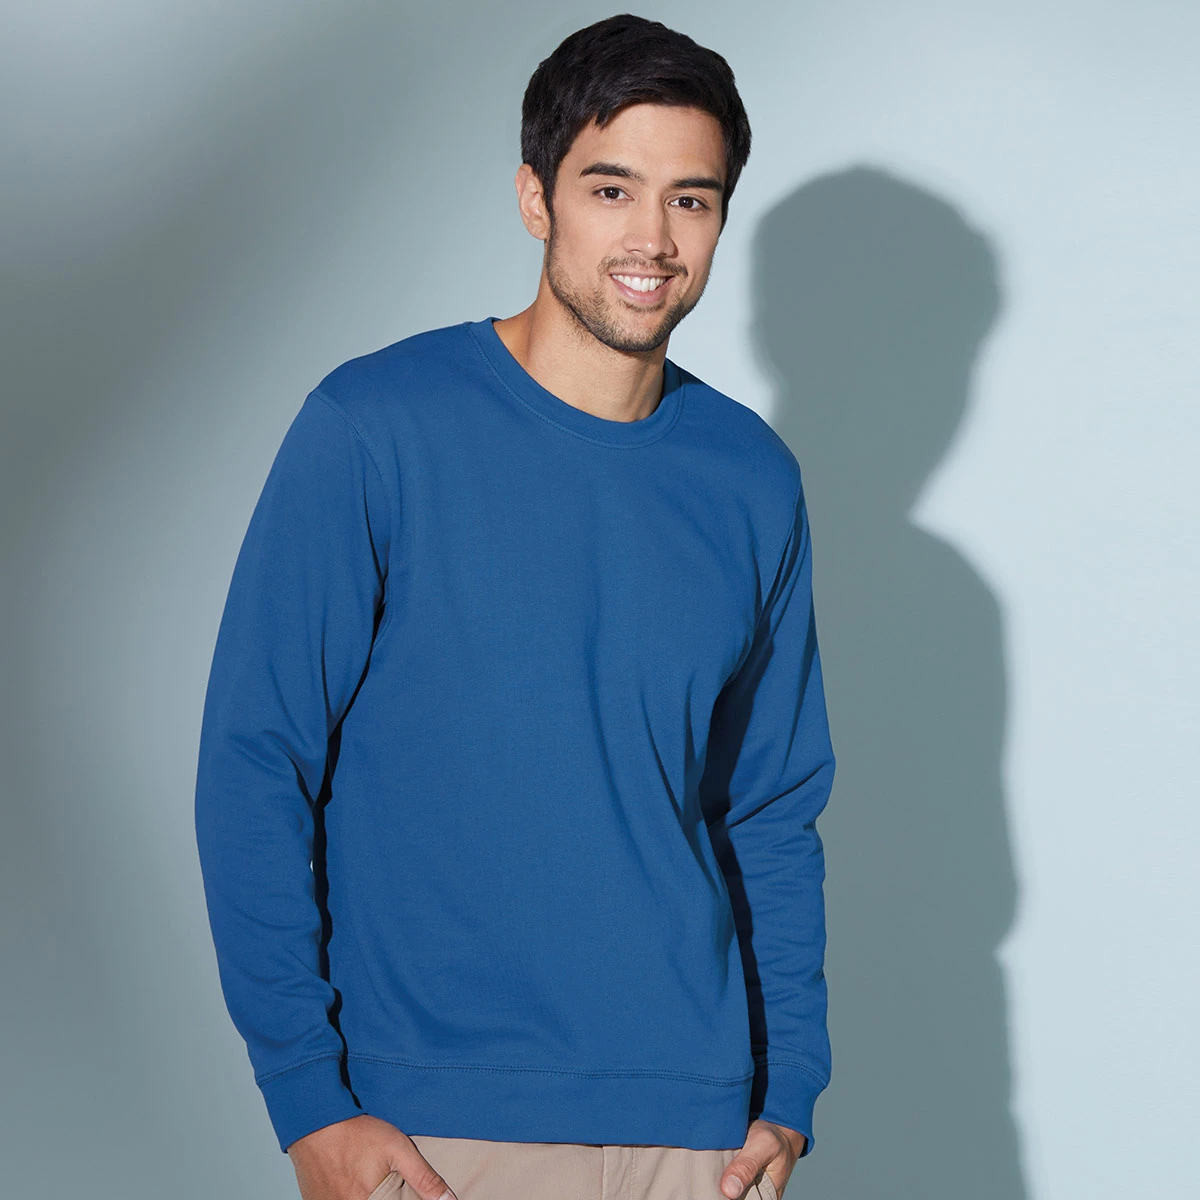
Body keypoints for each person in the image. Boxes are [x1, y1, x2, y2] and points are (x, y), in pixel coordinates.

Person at [194, 13, 836, 1200]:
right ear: (537, 199)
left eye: (691, 200)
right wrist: (307, 1097)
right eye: (612, 189)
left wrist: (787, 1091)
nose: (652, 238)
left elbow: (769, 807)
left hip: (699, 1129)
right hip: (441, 1124)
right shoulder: (374, 429)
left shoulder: (751, 479)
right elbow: (255, 761)